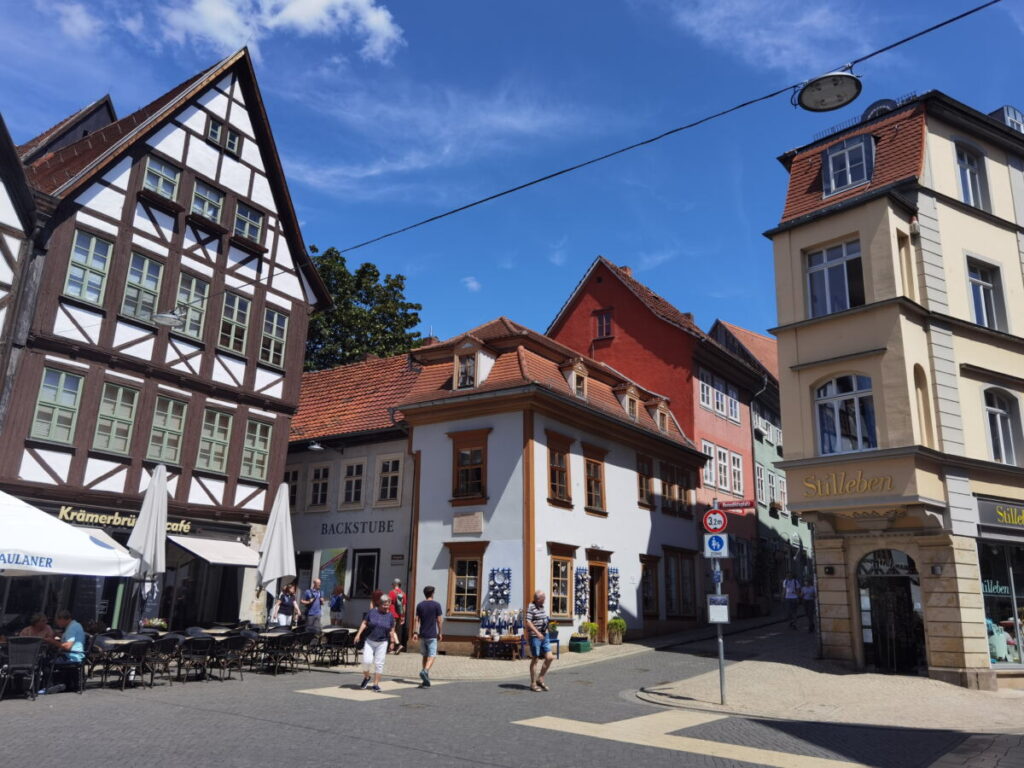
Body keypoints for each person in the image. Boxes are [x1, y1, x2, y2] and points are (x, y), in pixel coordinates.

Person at [353, 594, 398, 692]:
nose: (386, 607)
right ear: (379, 604)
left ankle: (375, 684)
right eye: (384, 605)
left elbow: (392, 629)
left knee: (379, 663)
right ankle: (367, 677)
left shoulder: (390, 616)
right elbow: (364, 623)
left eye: (388, 605)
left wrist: (392, 642)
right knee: (366, 661)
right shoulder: (372, 612)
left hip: (382, 642)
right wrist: (358, 634)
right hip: (370, 641)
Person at [411, 585, 444, 688]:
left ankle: (425, 679)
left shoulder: (420, 605)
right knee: (432, 655)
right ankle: (425, 671)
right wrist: (440, 632)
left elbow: (417, 620)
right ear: (432, 594)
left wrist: (415, 632)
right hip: (431, 634)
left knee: (425, 655)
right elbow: (439, 620)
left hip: (423, 634)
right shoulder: (436, 605)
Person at [525, 590, 554, 692]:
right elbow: (528, 622)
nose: (545, 600)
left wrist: (547, 627)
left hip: (545, 635)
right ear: (538, 599)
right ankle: (533, 683)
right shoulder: (531, 607)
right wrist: (537, 633)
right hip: (535, 636)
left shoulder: (541, 606)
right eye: (543, 598)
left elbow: (543, 619)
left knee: (550, 657)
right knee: (535, 659)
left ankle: (540, 678)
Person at [388, 578, 407, 653]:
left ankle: (398, 645)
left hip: (392, 614)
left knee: (392, 630)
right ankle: (391, 648)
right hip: (399, 614)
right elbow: (404, 606)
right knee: (395, 631)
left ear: (394, 584)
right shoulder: (403, 593)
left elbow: (388, 603)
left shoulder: (391, 592)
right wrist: (403, 616)